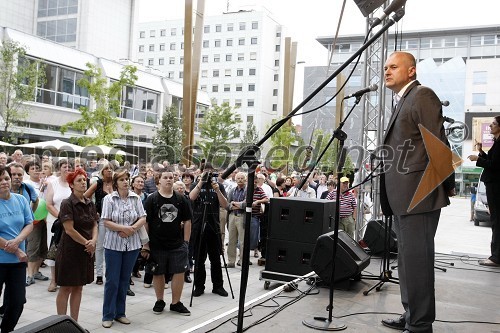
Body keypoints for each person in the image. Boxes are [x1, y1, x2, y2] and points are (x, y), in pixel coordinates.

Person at [380, 51, 455, 333]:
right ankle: (411, 315)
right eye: (386, 67)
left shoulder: (422, 95)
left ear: (411, 71)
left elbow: (438, 143)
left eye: (394, 67)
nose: (387, 71)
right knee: (407, 261)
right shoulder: (403, 100)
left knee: (418, 262)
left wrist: (443, 186)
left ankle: (420, 325)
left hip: (419, 195)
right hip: (403, 195)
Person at [100, 168, 146, 328]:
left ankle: (120, 313)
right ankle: (107, 314)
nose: (125, 182)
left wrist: (132, 229)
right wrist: (123, 228)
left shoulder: (136, 198)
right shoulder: (109, 199)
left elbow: (142, 216)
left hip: (132, 245)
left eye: (127, 179)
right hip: (113, 244)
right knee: (112, 280)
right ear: (115, 183)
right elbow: (105, 221)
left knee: (124, 280)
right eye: (121, 180)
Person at [142, 170, 192, 316]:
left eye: (171, 177)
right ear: (159, 181)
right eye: (165, 177)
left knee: (179, 272)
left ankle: (176, 303)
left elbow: (188, 220)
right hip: (157, 243)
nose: (169, 180)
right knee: (158, 272)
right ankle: (159, 301)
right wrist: (146, 244)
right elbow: (146, 222)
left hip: (177, 243)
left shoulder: (181, 199)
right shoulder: (152, 199)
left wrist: (186, 242)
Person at [55, 168, 98, 321]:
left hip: (86, 251)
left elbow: (94, 224)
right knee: (66, 287)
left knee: (79, 287)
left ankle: (74, 322)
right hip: (70, 251)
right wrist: (88, 243)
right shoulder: (67, 203)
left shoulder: (89, 203)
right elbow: (69, 229)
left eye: (84, 179)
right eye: (78, 180)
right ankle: (61, 322)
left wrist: (93, 241)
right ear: (71, 185)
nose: (82, 182)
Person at [0, 165, 34, 332]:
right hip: (1, 260)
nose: (4, 182)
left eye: (6, 178)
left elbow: (29, 223)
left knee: (17, 302)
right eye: (0, 180)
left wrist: (18, 241)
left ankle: (6, 329)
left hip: (18, 261)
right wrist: (15, 248)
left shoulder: (20, 200)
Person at [189, 162, 229, 297]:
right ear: (201, 172)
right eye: (206, 172)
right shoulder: (196, 185)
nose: (208, 174)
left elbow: (225, 205)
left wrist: (217, 189)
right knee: (199, 259)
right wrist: (201, 182)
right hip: (199, 225)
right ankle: (199, 286)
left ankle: (218, 286)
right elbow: (191, 197)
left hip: (214, 225)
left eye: (210, 172)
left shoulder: (219, 186)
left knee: (216, 259)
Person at [468, 115, 500, 267]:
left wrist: (477, 159)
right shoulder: (497, 143)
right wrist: (481, 152)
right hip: (493, 185)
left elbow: (494, 165)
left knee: (496, 221)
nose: (491, 126)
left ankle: (495, 257)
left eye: (494, 124)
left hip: (495, 186)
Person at [84, 161, 114, 285]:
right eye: (106, 168)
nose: (109, 171)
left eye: (111, 169)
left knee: (113, 246)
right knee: (100, 246)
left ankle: (111, 272)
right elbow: (85, 196)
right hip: (101, 218)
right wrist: (93, 210)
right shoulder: (98, 183)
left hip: (116, 220)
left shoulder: (116, 184)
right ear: (102, 171)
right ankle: (100, 275)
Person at [45, 159, 73, 292]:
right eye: (64, 166)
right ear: (59, 168)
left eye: (69, 166)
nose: (67, 168)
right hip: (55, 222)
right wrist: (60, 217)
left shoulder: (73, 183)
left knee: (68, 250)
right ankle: (53, 280)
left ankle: (66, 278)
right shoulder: (53, 183)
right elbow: (49, 204)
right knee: (53, 250)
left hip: (71, 223)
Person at [226, 172, 247, 267]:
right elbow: (228, 205)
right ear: (235, 179)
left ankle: (243, 261)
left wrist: (235, 204)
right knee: (231, 240)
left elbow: (246, 205)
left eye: (242, 178)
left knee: (243, 241)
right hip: (232, 216)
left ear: (245, 179)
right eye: (238, 178)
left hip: (242, 216)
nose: (240, 180)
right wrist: (237, 204)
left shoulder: (248, 190)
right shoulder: (232, 190)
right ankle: (231, 261)